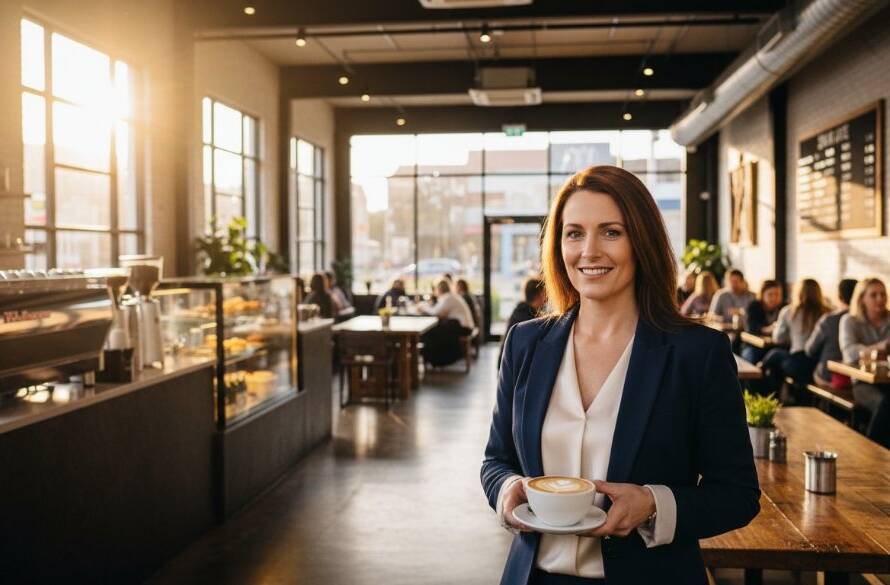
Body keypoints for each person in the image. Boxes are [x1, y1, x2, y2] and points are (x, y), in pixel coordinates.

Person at [481, 165, 759, 585]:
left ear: (641, 242)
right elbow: (496, 461)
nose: (589, 251)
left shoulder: (696, 353)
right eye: (574, 233)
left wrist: (653, 503)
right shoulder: (525, 343)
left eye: (611, 232)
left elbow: (737, 495)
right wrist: (508, 490)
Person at [839, 277, 890, 448]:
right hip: (862, 383)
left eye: (883, 294)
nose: (880, 298)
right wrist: (880, 347)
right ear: (862, 299)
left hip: (887, 381)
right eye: (874, 295)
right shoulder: (850, 321)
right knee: (886, 404)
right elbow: (850, 353)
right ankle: (874, 451)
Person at [761, 278, 830, 401]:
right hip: (820, 365)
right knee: (775, 358)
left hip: (798, 364)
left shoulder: (789, 311)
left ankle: (772, 399)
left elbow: (778, 339)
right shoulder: (827, 313)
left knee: (774, 356)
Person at [805, 278, 857, 388]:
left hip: (831, 376)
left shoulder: (829, 319)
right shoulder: (865, 320)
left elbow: (810, 350)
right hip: (856, 377)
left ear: (839, 297)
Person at [420, 279, 475, 367]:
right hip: (463, 326)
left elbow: (436, 312)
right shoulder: (451, 296)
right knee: (433, 332)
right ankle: (433, 359)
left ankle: (434, 359)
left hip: (463, 327)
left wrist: (423, 307)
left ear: (439, 289)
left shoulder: (448, 298)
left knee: (429, 333)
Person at [498, 277, 547, 369]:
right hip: (511, 369)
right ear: (539, 294)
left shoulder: (521, 310)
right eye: (545, 293)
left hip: (505, 364)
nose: (546, 297)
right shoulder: (527, 318)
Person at [740, 280, 785, 365]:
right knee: (752, 356)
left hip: (775, 347)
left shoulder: (784, 308)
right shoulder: (754, 306)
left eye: (777, 294)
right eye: (770, 295)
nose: (774, 298)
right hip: (753, 345)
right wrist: (767, 329)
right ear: (762, 295)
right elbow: (750, 328)